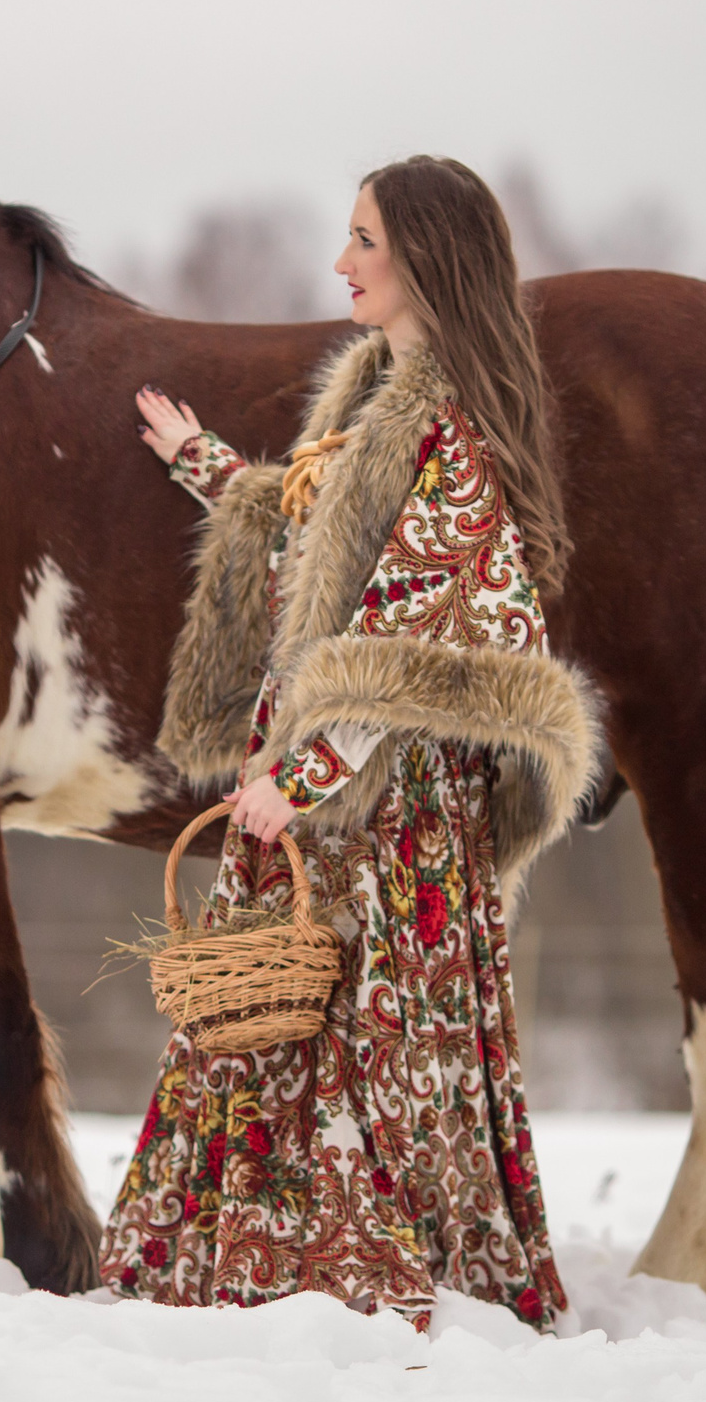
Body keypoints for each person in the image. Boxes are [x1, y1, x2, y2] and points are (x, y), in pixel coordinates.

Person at [101, 155, 600, 1331]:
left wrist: (304, 778)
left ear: (425, 257)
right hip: (325, 782)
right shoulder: (372, 406)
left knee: (362, 1014)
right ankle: (268, 1252)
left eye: (364, 240)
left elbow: (410, 628)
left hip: (387, 799)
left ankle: (353, 1268)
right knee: (278, 1001)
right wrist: (208, 469)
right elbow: (314, 555)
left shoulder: (454, 430)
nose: (342, 263)